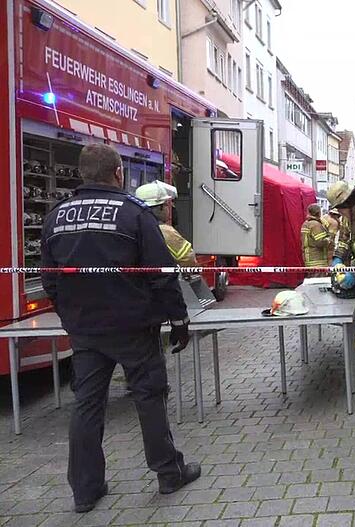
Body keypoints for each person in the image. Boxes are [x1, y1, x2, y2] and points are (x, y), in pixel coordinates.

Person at [40, 144, 200, 513]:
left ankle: (84, 491)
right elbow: (161, 274)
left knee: (88, 405)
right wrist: (178, 319)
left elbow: (49, 279)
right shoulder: (134, 214)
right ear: (117, 174)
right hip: (133, 327)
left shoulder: (56, 217)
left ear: (82, 174)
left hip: (85, 331)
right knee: (149, 396)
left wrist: (70, 316)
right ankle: (168, 473)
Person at [134, 181, 197, 267]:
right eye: (167, 204)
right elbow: (189, 259)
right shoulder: (165, 231)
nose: (170, 208)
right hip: (160, 278)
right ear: (160, 207)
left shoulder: (130, 225)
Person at [301, 203, 330, 273]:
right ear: (318, 213)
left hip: (308, 258)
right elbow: (320, 242)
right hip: (317, 260)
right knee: (318, 282)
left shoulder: (305, 223)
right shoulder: (315, 224)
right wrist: (329, 239)